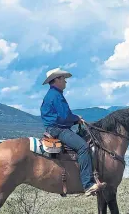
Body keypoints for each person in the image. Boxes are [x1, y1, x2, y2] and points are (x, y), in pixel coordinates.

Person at [40, 67, 104, 196]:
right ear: (56, 79)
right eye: (63, 78)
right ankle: (88, 184)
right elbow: (64, 116)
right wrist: (76, 119)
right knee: (83, 147)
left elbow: (63, 115)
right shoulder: (56, 96)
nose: (65, 81)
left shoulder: (53, 95)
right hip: (58, 129)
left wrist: (74, 119)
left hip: (56, 127)